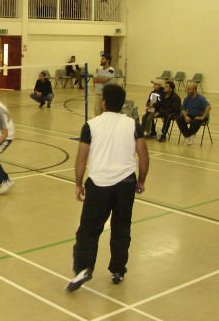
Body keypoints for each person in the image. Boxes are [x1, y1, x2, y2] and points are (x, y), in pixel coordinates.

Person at [67, 84, 150, 291]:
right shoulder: (132, 124)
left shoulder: (91, 125)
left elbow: (81, 158)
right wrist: (141, 180)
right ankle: (118, 270)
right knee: (121, 228)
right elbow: (144, 155)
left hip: (99, 185)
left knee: (88, 229)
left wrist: (78, 184)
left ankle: (83, 267)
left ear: (103, 102)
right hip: (126, 184)